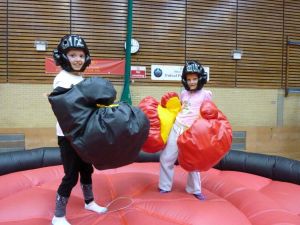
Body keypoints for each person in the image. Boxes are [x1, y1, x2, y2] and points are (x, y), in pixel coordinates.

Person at [51, 34, 107, 225]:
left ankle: (89, 202)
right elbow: (69, 108)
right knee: (71, 174)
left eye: (81, 55)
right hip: (68, 136)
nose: (77, 59)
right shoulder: (62, 79)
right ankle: (58, 215)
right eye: (73, 55)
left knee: (86, 169)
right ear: (63, 57)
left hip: (83, 134)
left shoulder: (80, 79)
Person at [158, 60, 212, 200]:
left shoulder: (206, 94)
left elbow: (208, 112)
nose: (192, 82)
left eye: (194, 79)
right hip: (177, 126)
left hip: (191, 132)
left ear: (200, 78)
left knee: (193, 161)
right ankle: (164, 186)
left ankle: (194, 189)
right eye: (189, 79)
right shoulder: (183, 93)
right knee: (166, 157)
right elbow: (182, 108)